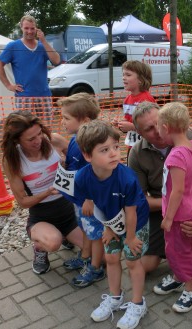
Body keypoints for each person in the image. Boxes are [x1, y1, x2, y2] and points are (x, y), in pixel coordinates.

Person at [128, 101, 192, 276]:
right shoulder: (136, 153)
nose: (157, 130)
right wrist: (170, 205)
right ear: (139, 133)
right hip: (163, 209)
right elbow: (139, 201)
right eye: (149, 128)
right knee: (145, 265)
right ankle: (175, 250)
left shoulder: (188, 140)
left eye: (158, 123)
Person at [72, 120, 149, 328]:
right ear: (88, 156)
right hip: (111, 222)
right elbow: (98, 204)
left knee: (133, 262)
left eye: (116, 147)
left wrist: (131, 238)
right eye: (105, 150)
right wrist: (107, 227)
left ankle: (138, 303)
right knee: (111, 258)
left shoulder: (127, 179)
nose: (114, 153)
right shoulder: (82, 177)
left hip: (135, 222)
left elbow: (130, 212)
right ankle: (115, 298)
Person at [1, 111, 82, 275]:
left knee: (97, 251)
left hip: (68, 210)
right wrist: (46, 192)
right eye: (31, 139)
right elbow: (23, 202)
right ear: (16, 140)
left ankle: (67, 235)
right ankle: (39, 249)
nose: (38, 140)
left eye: (39, 134)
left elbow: (79, 161)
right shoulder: (12, 159)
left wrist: (70, 165)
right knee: (53, 242)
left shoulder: (55, 140)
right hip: (41, 215)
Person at [152, 102, 192, 312]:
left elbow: (178, 190)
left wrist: (169, 218)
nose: (157, 131)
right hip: (189, 210)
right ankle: (178, 277)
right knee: (177, 249)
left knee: (180, 251)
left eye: (157, 126)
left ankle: (191, 289)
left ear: (166, 128)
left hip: (179, 215)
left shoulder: (175, 155)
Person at [55, 93, 105, 288]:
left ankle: (96, 267)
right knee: (85, 228)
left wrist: (90, 199)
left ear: (85, 120)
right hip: (80, 200)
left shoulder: (92, 144)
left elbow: (98, 175)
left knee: (96, 233)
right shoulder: (76, 140)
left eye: (67, 118)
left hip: (90, 202)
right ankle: (85, 256)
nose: (62, 122)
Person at [0, 15, 60, 122]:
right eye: (26, 28)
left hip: (44, 95)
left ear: (36, 28)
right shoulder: (13, 46)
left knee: (46, 128)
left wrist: (44, 41)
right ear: (21, 27)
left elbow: (56, 61)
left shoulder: (42, 46)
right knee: (25, 129)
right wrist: (8, 85)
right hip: (24, 96)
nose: (30, 31)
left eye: (32, 28)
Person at [112, 60, 156, 151]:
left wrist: (132, 127)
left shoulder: (147, 99)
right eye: (123, 74)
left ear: (140, 80)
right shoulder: (127, 100)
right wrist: (120, 124)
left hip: (146, 147)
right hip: (132, 148)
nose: (124, 78)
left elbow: (153, 126)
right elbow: (128, 123)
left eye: (128, 75)